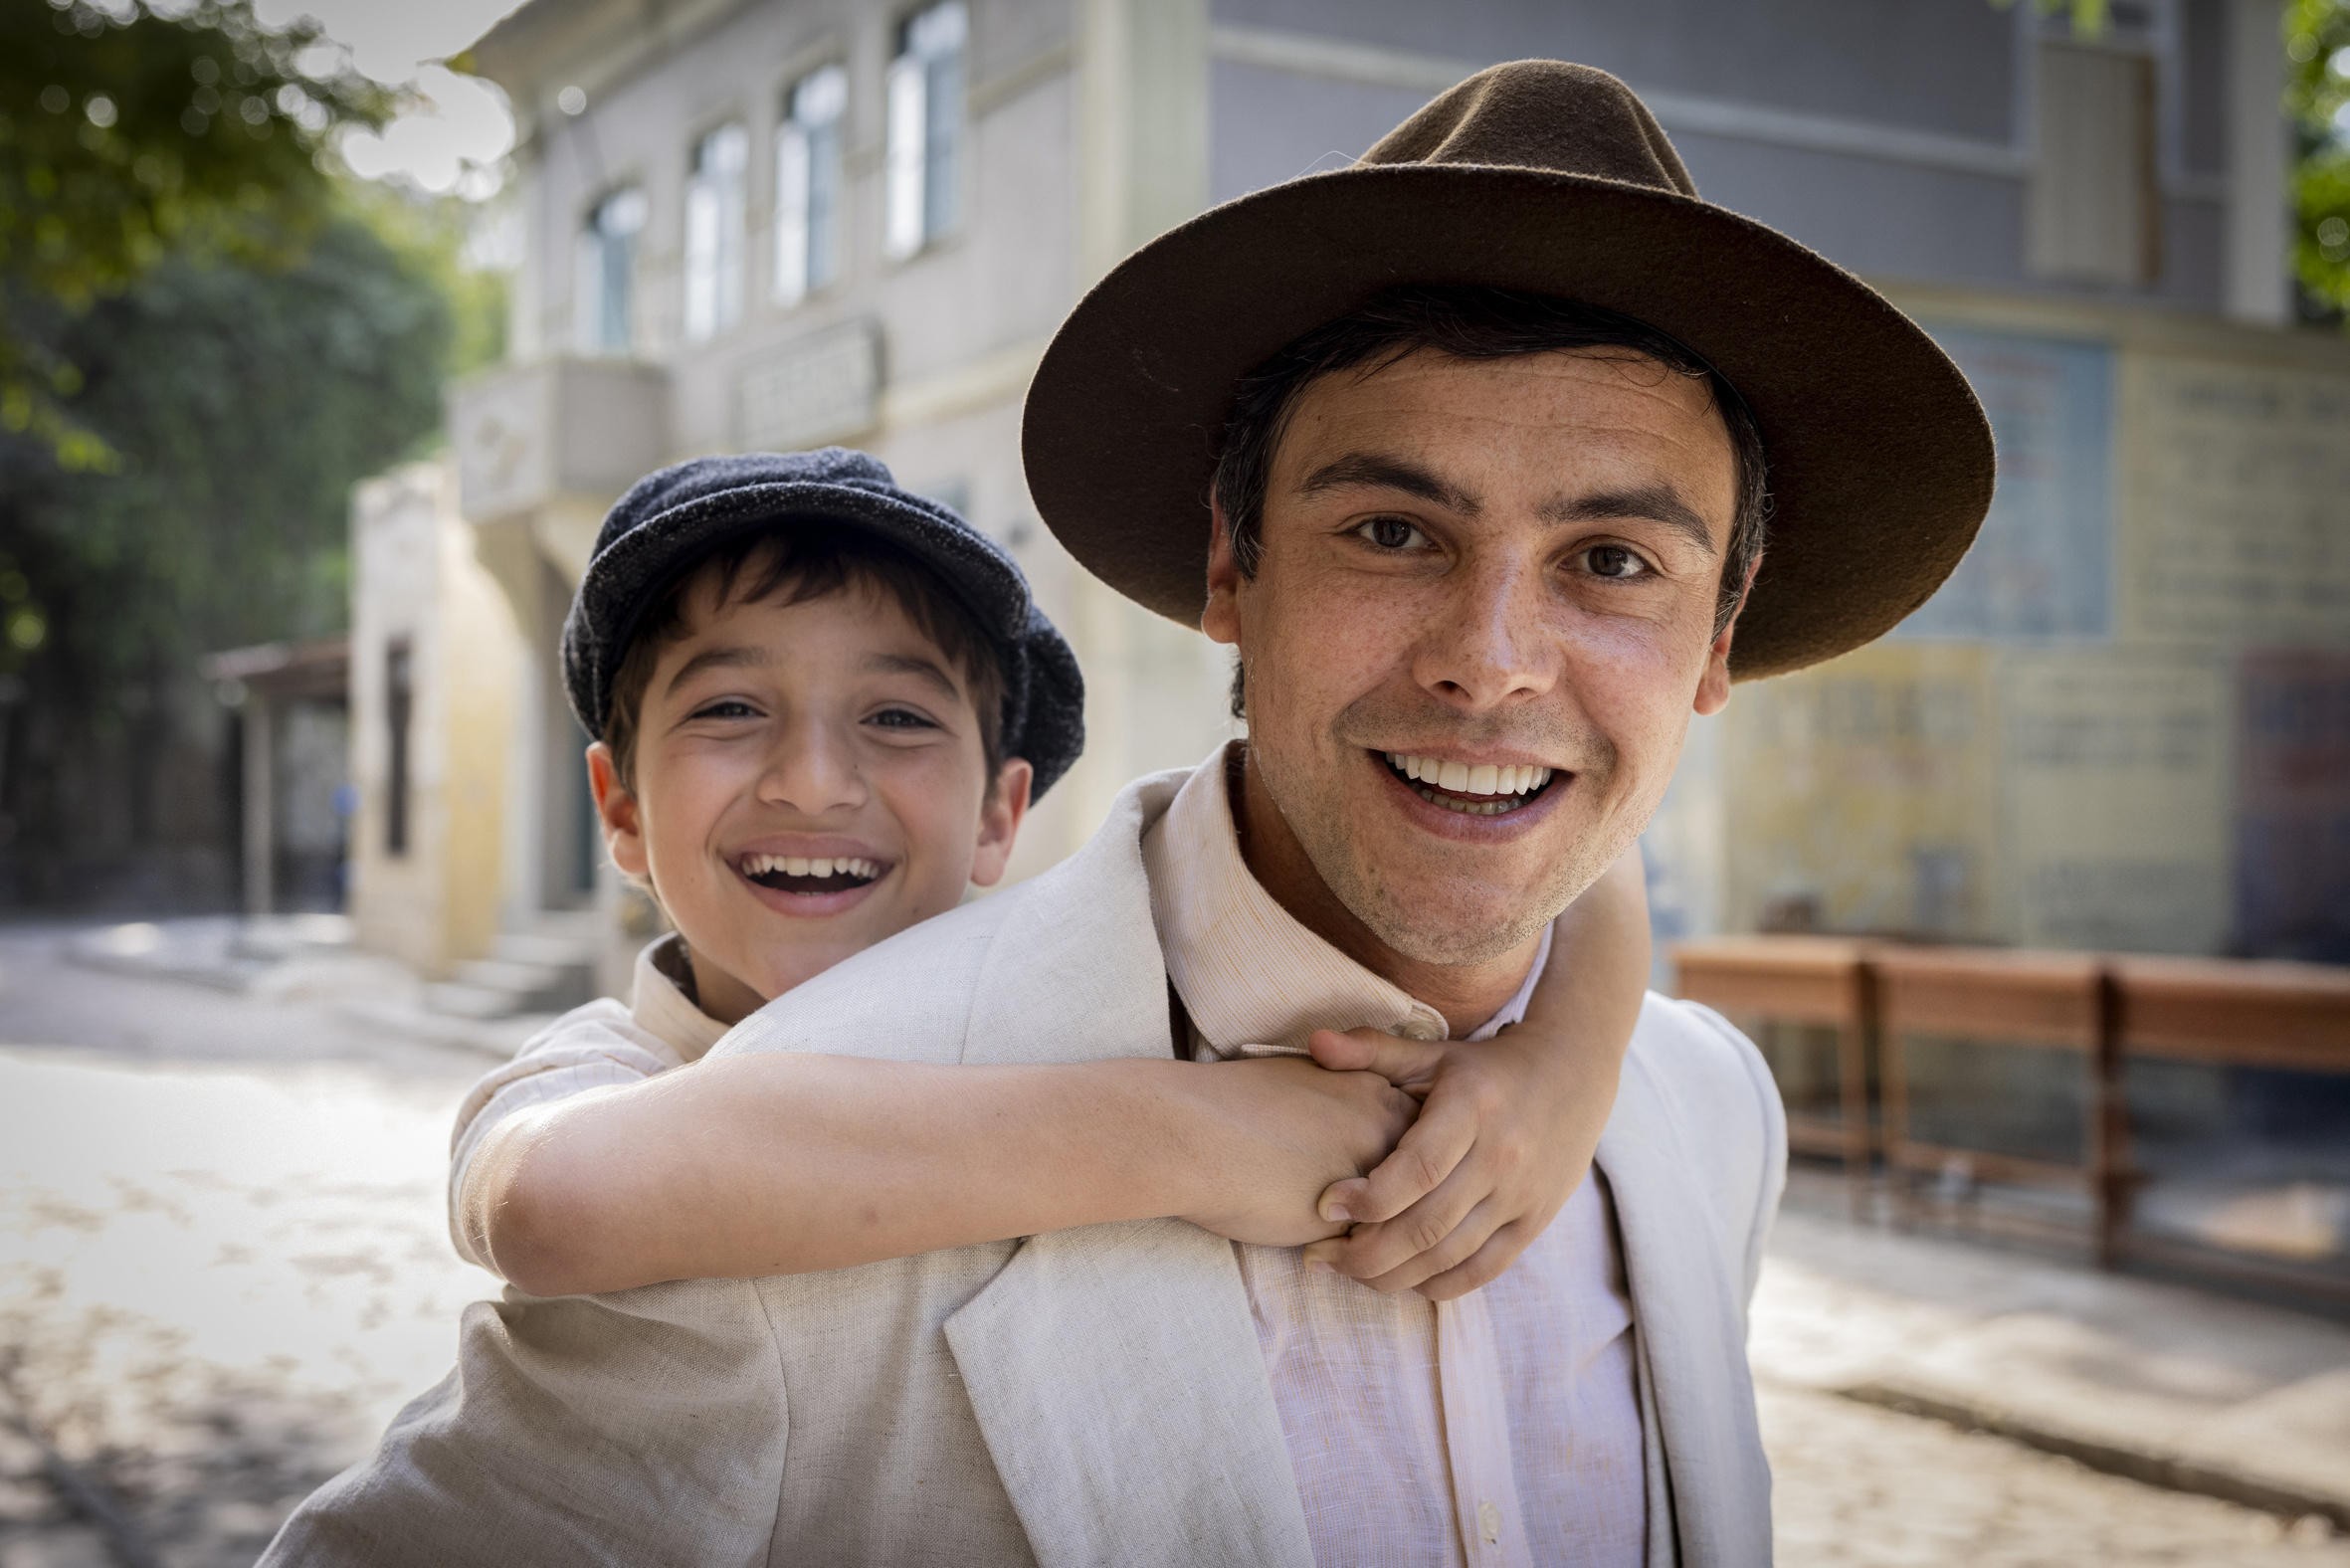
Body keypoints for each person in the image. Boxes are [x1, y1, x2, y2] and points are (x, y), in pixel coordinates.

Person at [263, 59, 1993, 1567]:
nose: (1490, 661)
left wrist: (1579, 1032)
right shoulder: (798, 1157)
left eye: (1610, 561)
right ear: (1232, 570)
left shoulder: (1697, 1110)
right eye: (1390, 532)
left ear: (1720, 637)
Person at [442, 447, 1649, 1299]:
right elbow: (544, 1201)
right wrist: (1202, 1137)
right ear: (620, 807)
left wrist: (1563, 1063)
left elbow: (1561, 837)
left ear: (997, 813)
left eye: (899, 719)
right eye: (732, 706)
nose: (812, 781)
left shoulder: (1067, 998)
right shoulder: (610, 1073)